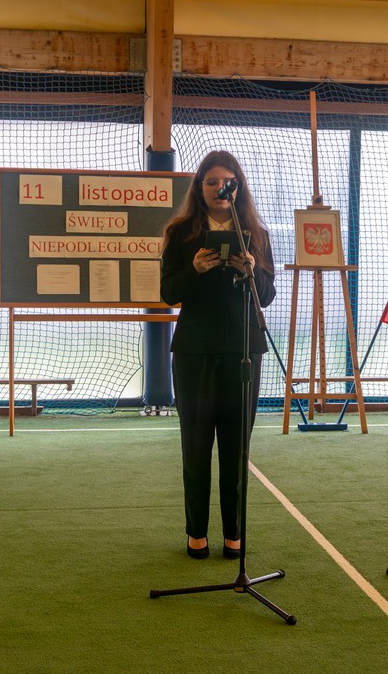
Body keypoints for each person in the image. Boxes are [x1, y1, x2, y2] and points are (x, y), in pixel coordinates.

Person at [160, 150, 276, 560]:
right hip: (194, 349)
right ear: (199, 187)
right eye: (211, 182)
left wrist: (252, 270)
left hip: (243, 348)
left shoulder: (256, 234)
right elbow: (168, 293)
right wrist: (194, 269)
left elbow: (267, 295)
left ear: (238, 187)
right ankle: (196, 534)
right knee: (195, 445)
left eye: (227, 182)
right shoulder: (180, 232)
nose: (219, 188)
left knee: (236, 447)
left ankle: (234, 536)